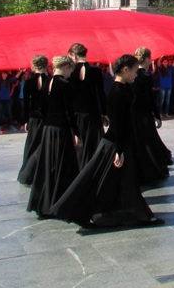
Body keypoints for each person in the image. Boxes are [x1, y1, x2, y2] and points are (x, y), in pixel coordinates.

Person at [50, 54, 159, 228]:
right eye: (134, 71)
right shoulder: (117, 92)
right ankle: (137, 215)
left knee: (116, 180)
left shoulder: (123, 89)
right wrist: (119, 151)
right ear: (125, 70)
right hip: (115, 144)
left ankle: (136, 214)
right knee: (99, 179)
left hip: (118, 142)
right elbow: (118, 123)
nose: (136, 74)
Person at [26, 56, 80, 218]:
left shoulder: (47, 84)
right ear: (65, 67)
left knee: (49, 163)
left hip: (48, 129)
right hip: (61, 129)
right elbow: (70, 112)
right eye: (70, 69)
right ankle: (62, 200)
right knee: (63, 164)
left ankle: (46, 200)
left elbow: (42, 108)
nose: (71, 72)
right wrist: (76, 132)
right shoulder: (65, 85)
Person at [131, 47, 172, 183]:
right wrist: (156, 115)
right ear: (147, 59)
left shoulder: (132, 74)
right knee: (148, 141)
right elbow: (150, 98)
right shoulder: (146, 77)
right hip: (144, 114)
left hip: (133, 114)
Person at [68, 43, 108, 169]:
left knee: (78, 143)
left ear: (73, 55)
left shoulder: (70, 71)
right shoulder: (96, 70)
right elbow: (101, 93)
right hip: (92, 111)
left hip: (76, 112)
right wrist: (105, 113)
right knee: (93, 143)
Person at [17, 56, 50, 186]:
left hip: (33, 118)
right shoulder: (50, 81)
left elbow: (25, 104)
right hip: (46, 117)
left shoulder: (29, 82)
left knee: (31, 146)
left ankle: (28, 173)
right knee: (43, 145)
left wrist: (25, 121)